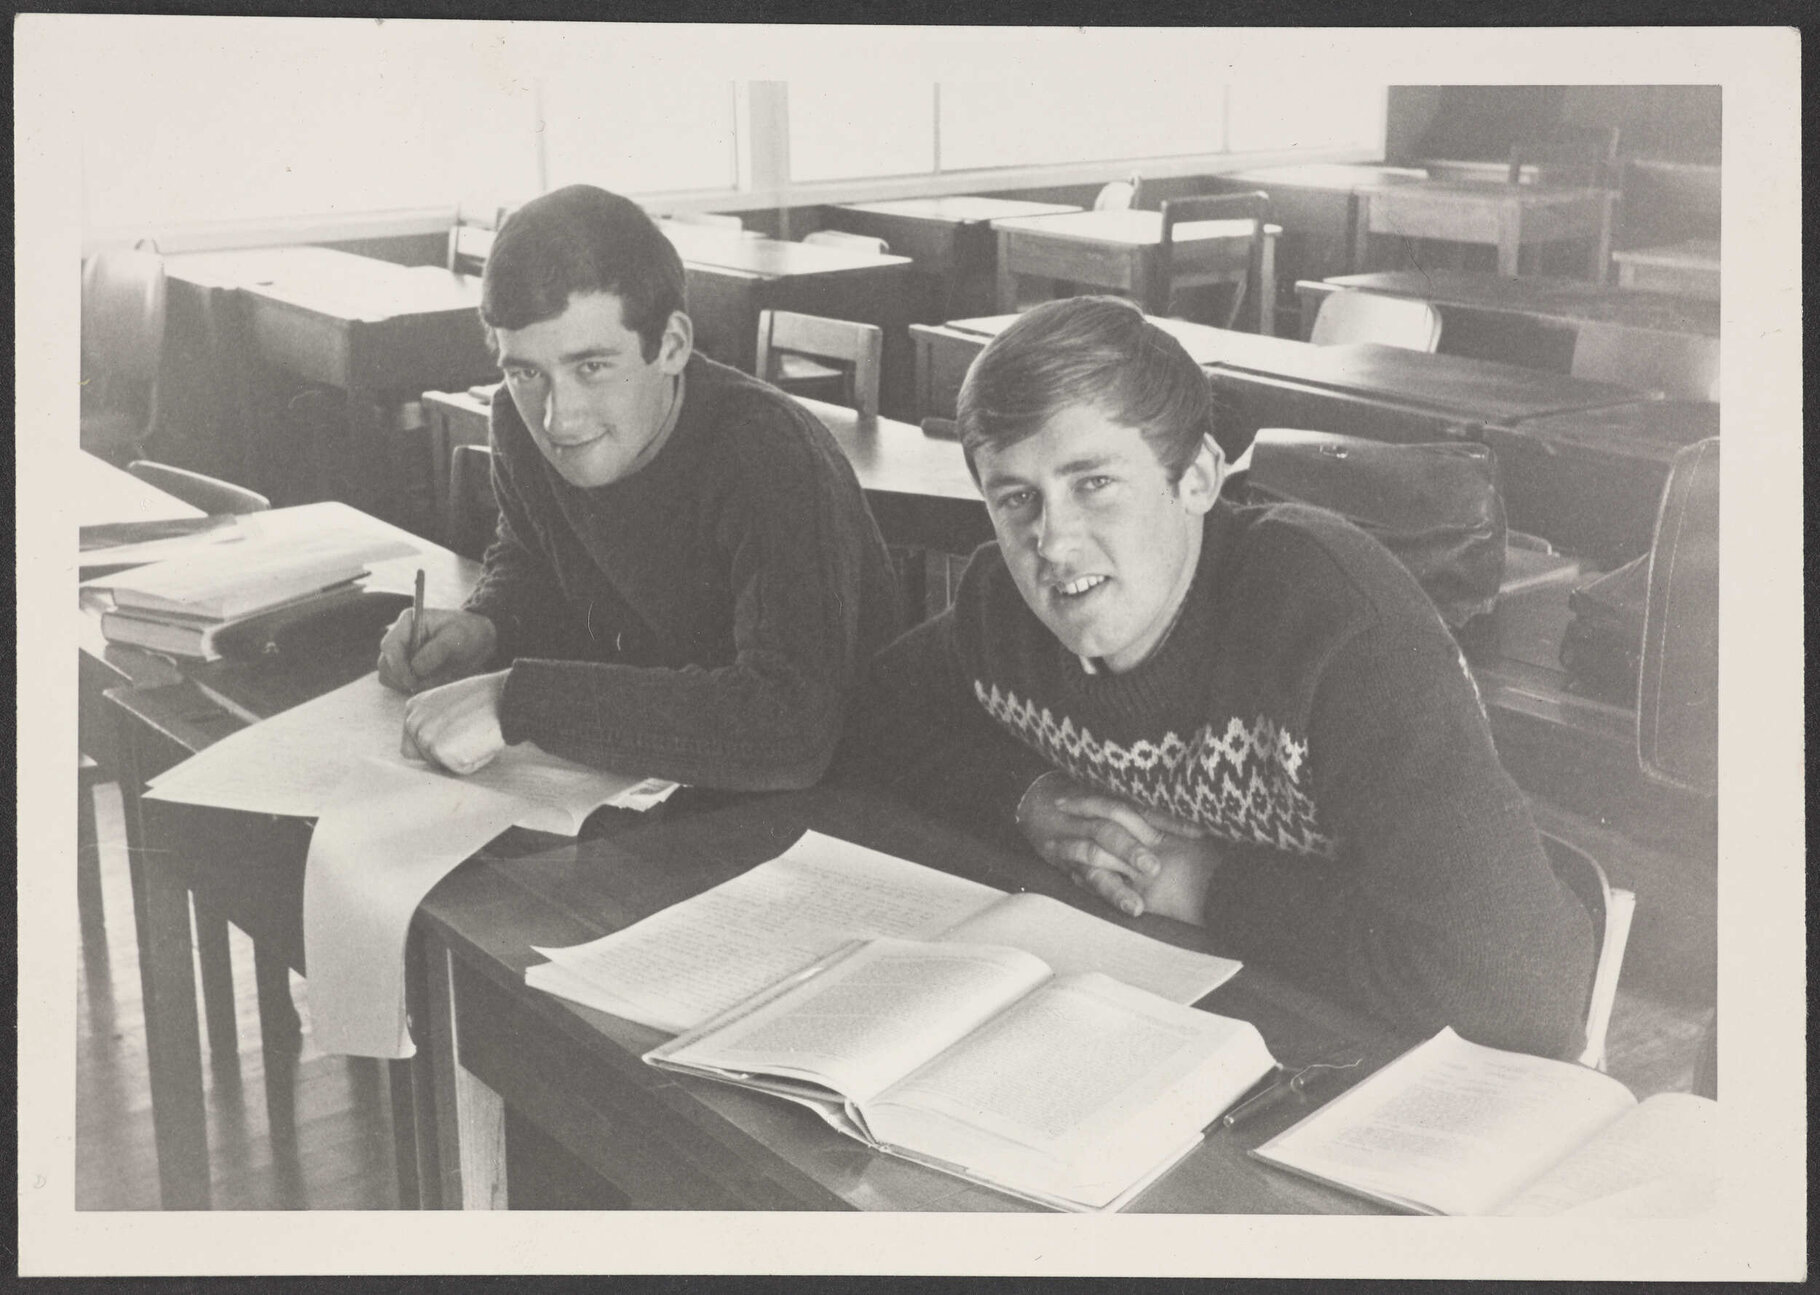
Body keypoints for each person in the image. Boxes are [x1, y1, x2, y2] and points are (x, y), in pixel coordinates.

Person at [848, 296, 1593, 1059]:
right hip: (1177, 1011)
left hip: (1386, 1061)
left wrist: (1206, 885)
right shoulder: (1001, 610)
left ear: (1198, 477)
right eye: (1016, 498)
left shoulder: (1335, 628)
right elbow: (865, 721)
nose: (1053, 542)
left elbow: (1518, 991)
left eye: (1094, 482)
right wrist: (1025, 801)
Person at [378, 184, 901, 790]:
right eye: (526, 372)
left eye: (591, 367)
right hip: (654, 788)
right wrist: (486, 626)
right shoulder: (515, 423)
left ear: (672, 345)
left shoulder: (771, 456)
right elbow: (533, 558)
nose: (557, 418)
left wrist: (515, 700)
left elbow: (790, 724)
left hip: (835, 811)